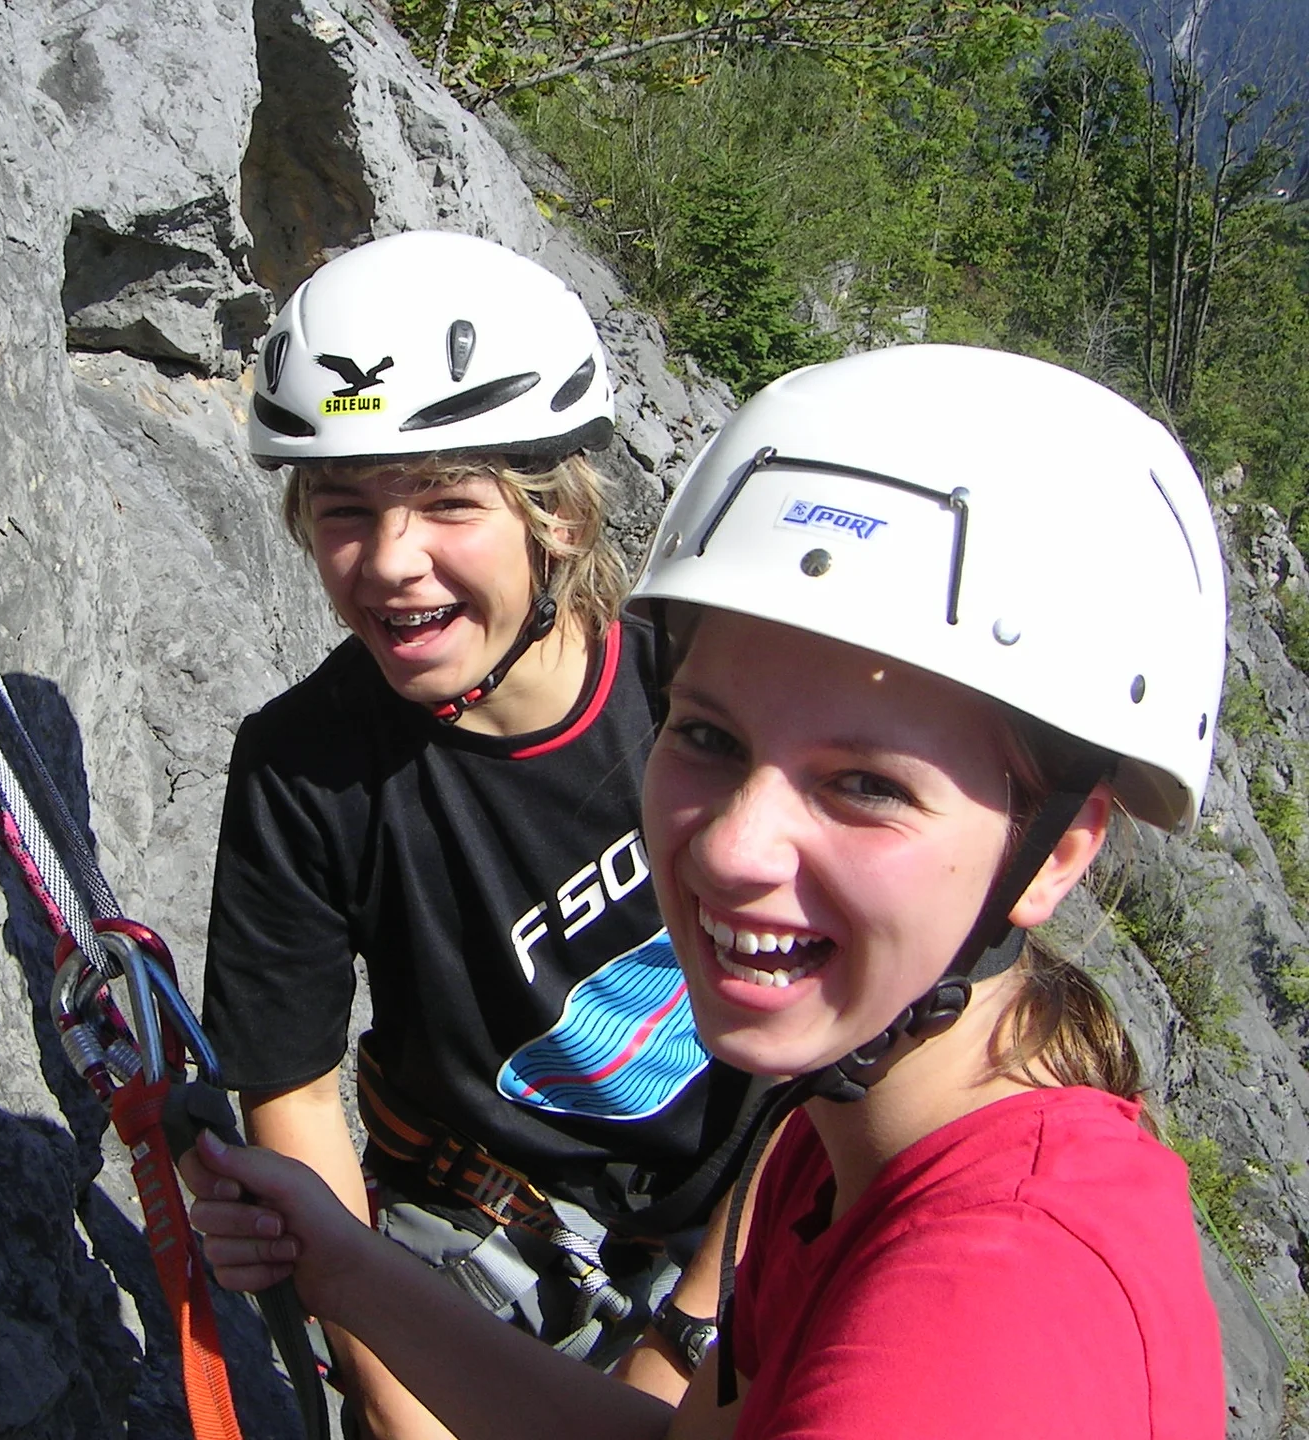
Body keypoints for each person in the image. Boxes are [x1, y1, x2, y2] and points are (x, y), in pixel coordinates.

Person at [184, 343, 1230, 1439]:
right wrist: (347, 1270)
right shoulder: (840, 1156)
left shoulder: (972, 1332)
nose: (735, 848)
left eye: (866, 784)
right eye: (710, 737)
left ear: (1058, 855)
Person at [200, 231, 751, 1438]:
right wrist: (401, 1414)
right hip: (486, 1227)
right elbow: (290, 1103)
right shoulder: (306, 771)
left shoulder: (694, 691)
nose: (391, 564)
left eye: (449, 501)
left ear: (555, 517)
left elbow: (831, 1043)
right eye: (345, 510)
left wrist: (683, 1344)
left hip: (748, 1208)